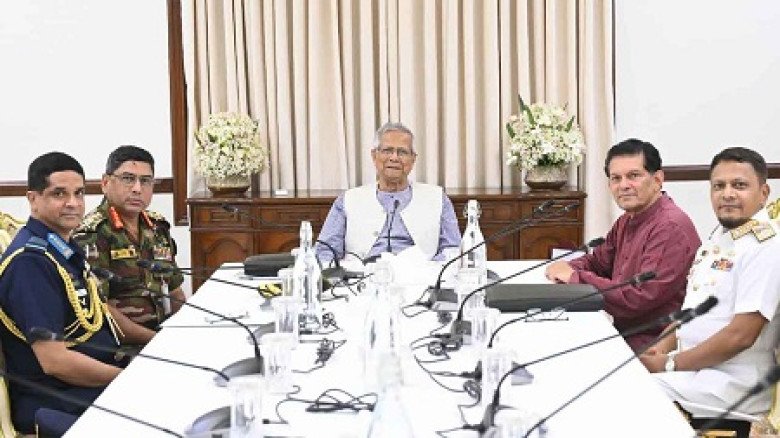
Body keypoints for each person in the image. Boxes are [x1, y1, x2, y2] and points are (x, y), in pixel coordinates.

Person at [0, 152, 155, 433]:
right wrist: (127, 379)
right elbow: (55, 362)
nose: (73, 203)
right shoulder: (30, 263)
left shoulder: (62, 248)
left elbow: (98, 313)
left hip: (94, 377)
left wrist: (155, 344)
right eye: (59, 194)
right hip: (57, 397)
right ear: (33, 199)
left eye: (79, 193)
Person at [641, 147, 780, 419]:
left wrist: (669, 364)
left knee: (624, 394)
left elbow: (741, 336)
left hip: (732, 384)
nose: (727, 194)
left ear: (764, 193)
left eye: (739, 185)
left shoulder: (766, 247)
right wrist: (660, 347)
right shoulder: (720, 238)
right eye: (719, 186)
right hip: (695, 371)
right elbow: (692, 313)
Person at [545, 138, 700, 350]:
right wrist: (570, 267)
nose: (624, 185)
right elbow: (598, 263)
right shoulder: (628, 219)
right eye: (616, 178)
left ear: (657, 179)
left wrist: (574, 277)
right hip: (623, 331)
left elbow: (638, 297)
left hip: (654, 344)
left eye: (633, 176)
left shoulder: (670, 226)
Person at [73, 145, 185, 330]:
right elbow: (100, 309)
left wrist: (185, 330)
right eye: (128, 179)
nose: (137, 189)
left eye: (145, 180)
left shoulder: (157, 227)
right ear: (105, 183)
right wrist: (154, 340)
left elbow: (175, 292)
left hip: (164, 333)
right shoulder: (92, 234)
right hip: (124, 342)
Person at [316, 122, 461, 262]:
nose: (394, 158)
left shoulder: (438, 198)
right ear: (374, 156)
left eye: (402, 152)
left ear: (413, 159)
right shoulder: (348, 199)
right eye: (387, 150)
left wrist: (431, 271)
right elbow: (325, 250)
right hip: (361, 275)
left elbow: (452, 249)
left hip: (420, 275)